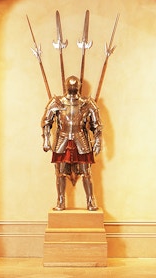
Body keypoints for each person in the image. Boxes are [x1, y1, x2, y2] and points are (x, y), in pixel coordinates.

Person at [41, 75, 103, 211]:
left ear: (79, 86)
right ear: (66, 86)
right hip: (62, 140)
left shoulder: (87, 103)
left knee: (86, 172)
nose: (73, 87)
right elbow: (46, 122)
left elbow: (97, 125)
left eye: (75, 85)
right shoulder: (56, 102)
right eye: (71, 85)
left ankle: (90, 201)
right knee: (60, 172)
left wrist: (98, 142)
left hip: (81, 139)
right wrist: (45, 139)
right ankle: (61, 200)